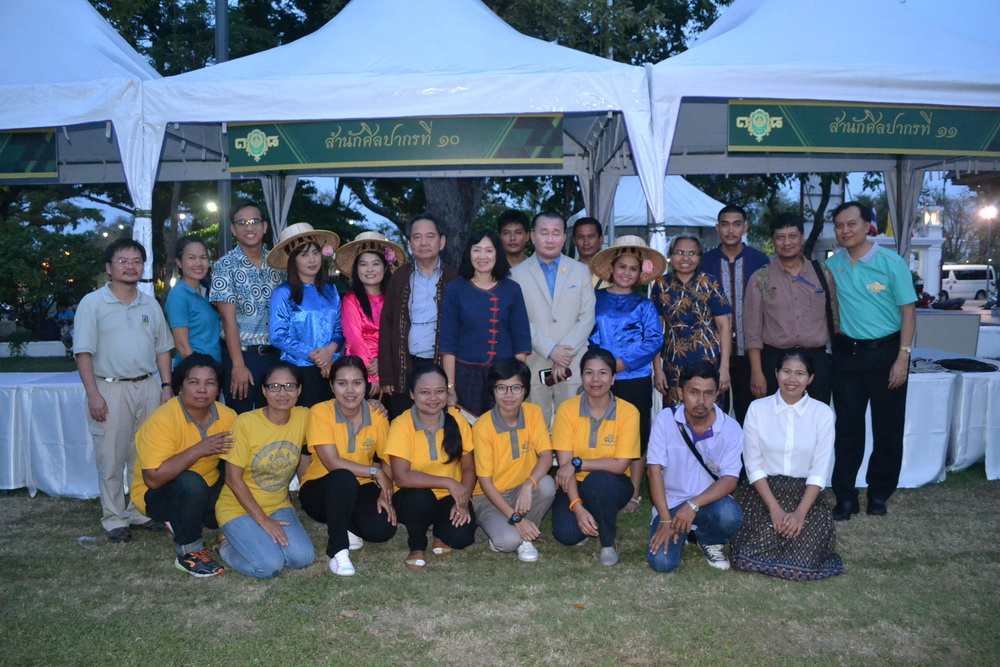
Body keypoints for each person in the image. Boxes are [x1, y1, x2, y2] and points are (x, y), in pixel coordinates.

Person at [74, 238, 174, 543]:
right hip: (109, 388)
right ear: (109, 267)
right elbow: (83, 353)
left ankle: (140, 511)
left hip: (148, 386)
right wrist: (93, 394)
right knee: (112, 456)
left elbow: (163, 349)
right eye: (123, 261)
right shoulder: (92, 303)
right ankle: (114, 519)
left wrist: (167, 386)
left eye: (136, 261)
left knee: (145, 454)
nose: (130, 267)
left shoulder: (150, 303)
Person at [826, 201, 916, 520]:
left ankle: (879, 494)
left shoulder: (891, 263)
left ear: (867, 226)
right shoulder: (833, 265)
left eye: (852, 224)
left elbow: (908, 312)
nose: (845, 231)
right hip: (847, 357)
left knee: (887, 428)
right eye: (839, 225)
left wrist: (902, 358)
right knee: (848, 429)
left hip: (887, 354)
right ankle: (845, 497)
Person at [730, 349, 844, 581]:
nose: (792, 379)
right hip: (764, 494)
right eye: (786, 372)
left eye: (800, 373)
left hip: (805, 496)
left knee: (808, 559)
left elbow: (820, 470)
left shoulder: (822, 413)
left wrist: (800, 514)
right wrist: (775, 509)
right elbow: (753, 465)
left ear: (810, 379)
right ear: (776, 373)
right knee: (743, 556)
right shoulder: (757, 409)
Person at [133, 354, 237, 577]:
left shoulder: (227, 416)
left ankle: (206, 523)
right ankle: (189, 551)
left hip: (206, 488)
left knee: (236, 474)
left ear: (218, 389)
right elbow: (153, 479)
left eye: (210, 383)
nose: (202, 389)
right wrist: (199, 449)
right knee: (191, 483)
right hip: (158, 493)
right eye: (193, 382)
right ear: (180, 387)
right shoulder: (161, 420)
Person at [588, 236, 666, 513]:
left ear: (640, 273)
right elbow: (589, 333)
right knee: (602, 429)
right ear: (612, 268)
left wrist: (624, 362)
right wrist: (604, 365)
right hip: (599, 377)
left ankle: (633, 492)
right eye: (622, 266)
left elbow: (654, 340)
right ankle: (600, 483)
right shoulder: (596, 299)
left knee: (636, 433)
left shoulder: (644, 304)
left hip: (635, 377)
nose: (626, 273)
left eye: (633, 268)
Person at [215, 361, 314, 578]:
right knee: (268, 566)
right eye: (274, 386)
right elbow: (232, 479)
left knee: (302, 558)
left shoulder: (305, 417)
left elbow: (337, 413)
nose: (282, 393)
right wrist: (263, 521)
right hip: (237, 507)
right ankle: (224, 544)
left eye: (289, 386)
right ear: (263, 391)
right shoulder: (245, 423)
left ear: (299, 390)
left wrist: (372, 404)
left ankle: (256, 538)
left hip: (277, 504)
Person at [299, 356, 397, 577]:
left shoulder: (377, 414)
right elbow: (332, 463)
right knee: (342, 477)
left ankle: (344, 522)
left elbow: (388, 459)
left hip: (361, 486)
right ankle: (337, 551)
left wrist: (384, 491)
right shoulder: (320, 412)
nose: (350, 390)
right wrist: (376, 472)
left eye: (357, 382)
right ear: (332, 386)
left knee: (382, 530)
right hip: (321, 489)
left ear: (367, 385)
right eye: (342, 383)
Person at [646, 362, 744, 573]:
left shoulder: (731, 428)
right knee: (662, 564)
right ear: (681, 393)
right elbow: (653, 470)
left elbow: (730, 479)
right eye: (694, 392)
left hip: (709, 502)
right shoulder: (665, 419)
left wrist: (692, 505)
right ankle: (682, 528)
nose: (701, 401)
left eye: (708, 393)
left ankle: (708, 539)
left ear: (717, 394)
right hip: (670, 503)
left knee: (730, 515)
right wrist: (664, 519)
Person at [551, 348, 639, 567]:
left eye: (603, 373)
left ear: (613, 378)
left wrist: (577, 463)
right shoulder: (567, 410)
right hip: (574, 485)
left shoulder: (628, 412)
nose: (595, 379)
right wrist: (578, 508)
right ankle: (591, 515)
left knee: (599, 481)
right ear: (582, 377)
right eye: (589, 373)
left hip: (613, 483)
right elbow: (564, 468)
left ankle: (608, 542)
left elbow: (619, 465)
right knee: (567, 535)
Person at [385, 362, 477, 570]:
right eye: (425, 392)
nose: (433, 398)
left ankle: (440, 532)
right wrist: (448, 482)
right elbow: (401, 477)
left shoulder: (458, 421)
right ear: (412, 394)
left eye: (440, 392)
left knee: (461, 538)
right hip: (412, 496)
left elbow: (469, 468)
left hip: (449, 496)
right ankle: (417, 546)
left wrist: (463, 500)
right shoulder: (401, 424)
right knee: (421, 498)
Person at [511, 212, 595, 425]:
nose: (550, 239)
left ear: (564, 237)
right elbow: (518, 319)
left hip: (572, 362)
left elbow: (587, 316)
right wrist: (551, 349)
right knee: (534, 428)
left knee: (574, 427)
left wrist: (563, 353)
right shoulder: (516, 274)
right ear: (532, 236)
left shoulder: (580, 270)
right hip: (534, 361)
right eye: (544, 233)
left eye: (556, 233)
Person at [744, 213, 839, 404]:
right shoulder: (760, 278)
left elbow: (835, 317)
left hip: (816, 362)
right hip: (775, 362)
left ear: (802, 238)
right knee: (776, 424)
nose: (787, 242)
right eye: (780, 237)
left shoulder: (822, 274)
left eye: (792, 236)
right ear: (774, 241)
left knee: (815, 422)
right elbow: (752, 331)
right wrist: (756, 372)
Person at [439, 229, 531, 417]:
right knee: (467, 433)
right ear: (469, 253)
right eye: (477, 250)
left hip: (503, 377)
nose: (482, 256)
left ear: (497, 254)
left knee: (500, 434)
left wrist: (516, 384)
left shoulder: (512, 289)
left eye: (489, 250)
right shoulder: (454, 289)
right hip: (465, 375)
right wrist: (450, 387)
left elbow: (521, 340)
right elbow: (448, 344)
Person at [472, 359, 556, 562]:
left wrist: (529, 485)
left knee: (546, 485)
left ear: (525, 390)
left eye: (516, 388)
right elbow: (485, 483)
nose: (509, 395)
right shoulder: (482, 426)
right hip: (489, 497)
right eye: (501, 388)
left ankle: (525, 536)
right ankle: (515, 528)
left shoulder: (533, 413)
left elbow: (546, 456)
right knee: (507, 543)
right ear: (492, 390)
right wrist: (516, 518)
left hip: (521, 490)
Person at [379, 214, 458, 419]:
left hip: (440, 365)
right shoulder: (399, 278)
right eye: (417, 237)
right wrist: (387, 374)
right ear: (410, 243)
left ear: (442, 242)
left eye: (430, 236)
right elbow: (387, 326)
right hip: (405, 365)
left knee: (442, 425)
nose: (423, 243)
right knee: (403, 423)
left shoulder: (454, 279)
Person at [210, 202, 284, 413]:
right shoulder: (225, 265)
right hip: (242, 356)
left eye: (255, 222)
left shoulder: (278, 263)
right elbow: (228, 319)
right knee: (239, 419)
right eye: (242, 223)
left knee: (274, 418)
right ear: (233, 230)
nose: (249, 228)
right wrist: (238, 365)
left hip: (275, 356)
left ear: (265, 227)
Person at [700, 205, 769, 423]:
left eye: (737, 224)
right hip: (712, 355)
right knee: (713, 418)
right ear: (717, 228)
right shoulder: (704, 263)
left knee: (751, 419)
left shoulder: (761, 262)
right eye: (725, 224)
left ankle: (749, 459)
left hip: (753, 355)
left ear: (745, 227)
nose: (731, 230)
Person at [650, 234, 732, 408]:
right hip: (674, 364)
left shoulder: (710, 283)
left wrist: (724, 368)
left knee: (710, 414)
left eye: (692, 253)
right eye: (679, 252)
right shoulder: (661, 284)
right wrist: (657, 370)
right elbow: (655, 329)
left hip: (709, 363)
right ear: (670, 256)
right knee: (675, 419)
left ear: (700, 257)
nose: (685, 258)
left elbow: (724, 327)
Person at [268, 223, 344, 408]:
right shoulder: (283, 293)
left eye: (315, 253)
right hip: (299, 371)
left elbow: (340, 329)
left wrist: (330, 352)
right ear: (293, 260)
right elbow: (278, 336)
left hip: (332, 369)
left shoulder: (331, 290)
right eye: (304, 254)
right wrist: (316, 356)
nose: (312, 259)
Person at [336, 231, 407, 389]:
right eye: (363, 264)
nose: (370, 269)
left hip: (393, 368)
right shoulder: (351, 300)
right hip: (362, 372)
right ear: (357, 269)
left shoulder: (395, 299)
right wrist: (373, 376)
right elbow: (355, 340)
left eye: (375, 263)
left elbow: (401, 336)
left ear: (385, 267)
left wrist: (384, 363)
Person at [164, 236, 222, 364]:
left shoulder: (208, 290)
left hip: (216, 367)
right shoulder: (178, 295)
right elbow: (183, 347)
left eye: (203, 257)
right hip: (196, 372)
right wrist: (200, 374)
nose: (199, 263)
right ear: (179, 262)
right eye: (192, 258)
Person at [572, 217, 604, 286]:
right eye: (580, 237)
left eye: (591, 237)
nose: (586, 242)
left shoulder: (613, 270)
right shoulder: (566, 270)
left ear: (601, 239)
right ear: (574, 241)